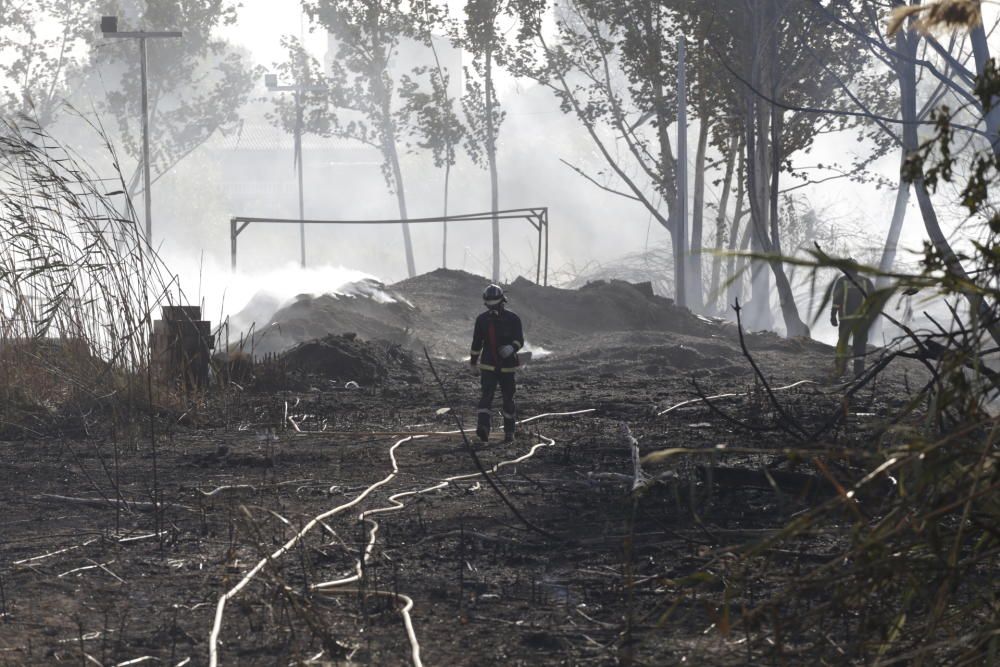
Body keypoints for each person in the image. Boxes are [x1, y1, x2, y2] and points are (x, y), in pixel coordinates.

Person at [469, 284, 524, 443]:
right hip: (488, 366)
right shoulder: (482, 320)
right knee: (486, 396)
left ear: (502, 302)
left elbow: (520, 340)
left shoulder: (513, 319)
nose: (492, 309)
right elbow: (476, 343)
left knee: (508, 399)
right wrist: (473, 363)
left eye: (495, 305)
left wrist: (512, 347)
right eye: (489, 306)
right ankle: (483, 428)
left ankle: (509, 432)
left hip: (508, 366)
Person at [830, 263, 875, 378]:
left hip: (846, 319)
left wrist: (833, 315)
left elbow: (836, 299)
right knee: (860, 344)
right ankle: (858, 371)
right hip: (862, 319)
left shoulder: (842, 281)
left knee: (843, 344)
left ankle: (840, 369)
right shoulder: (866, 281)